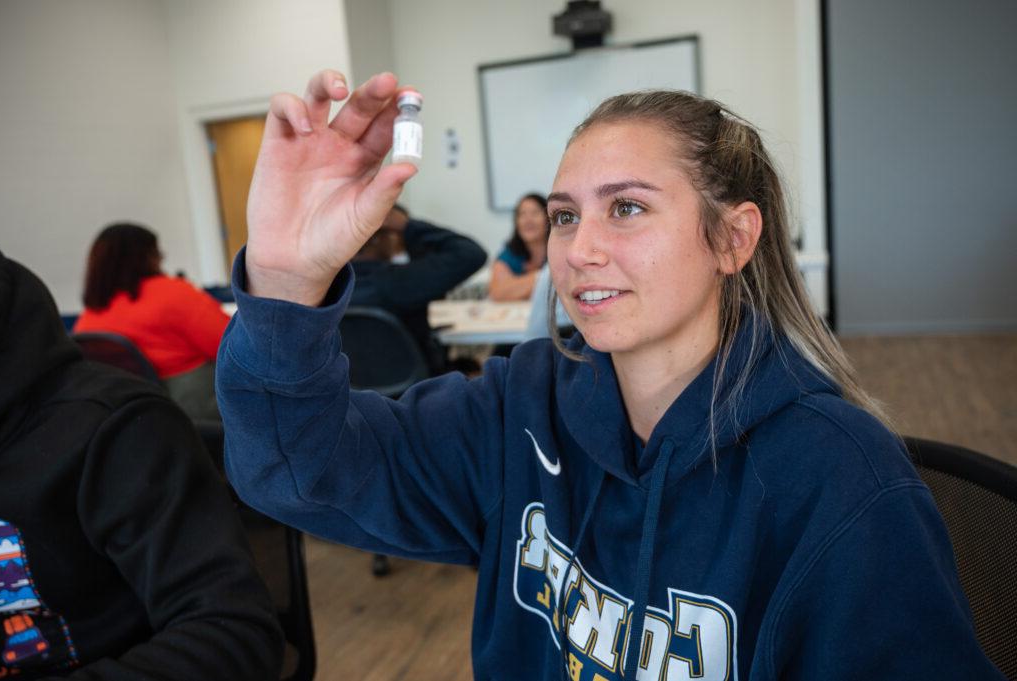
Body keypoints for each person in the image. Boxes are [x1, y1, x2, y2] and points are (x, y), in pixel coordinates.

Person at [217, 69, 1003, 680]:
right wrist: (287, 279)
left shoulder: (841, 478)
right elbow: (292, 469)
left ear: (732, 238)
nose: (578, 249)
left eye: (625, 208)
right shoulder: (520, 404)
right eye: (565, 215)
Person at [0, 245, 282, 680]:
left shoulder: (95, 308)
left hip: (135, 421)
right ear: (150, 256)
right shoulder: (174, 293)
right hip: (182, 413)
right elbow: (240, 350)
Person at [74, 223, 231, 420]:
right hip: (195, 408)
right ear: (148, 256)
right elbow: (233, 346)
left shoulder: (90, 315)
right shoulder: (174, 293)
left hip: (133, 417)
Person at [350, 203, 486, 374]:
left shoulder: (330, 286)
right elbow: (470, 254)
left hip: (355, 390)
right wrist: (407, 225)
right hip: (419, 386)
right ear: (379, 238)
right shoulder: (400, 281)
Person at [487, 193, 549, 301]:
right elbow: (498, 292)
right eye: (522, 214)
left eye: (535, 213)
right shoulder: (510, 253)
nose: (528, 220)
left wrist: (519, 287)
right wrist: (547, 277)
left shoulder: (560, 251)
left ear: (548, 218)